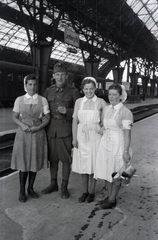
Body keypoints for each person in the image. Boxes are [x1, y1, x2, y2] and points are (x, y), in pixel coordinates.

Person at [41, 62, 80, 199]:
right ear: (53, 76)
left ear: (66, 76)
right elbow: (43, 110)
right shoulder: (48, 91)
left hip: (65, 129)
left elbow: (78, 112)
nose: (60, 77)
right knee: (53, 159)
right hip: (51, 129)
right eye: (57, 75)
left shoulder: (73, 92)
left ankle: (64, 187)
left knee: (65, 159)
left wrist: (68, 112)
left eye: (62, 75)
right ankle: (53, 184)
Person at [11, 74, 50, 203]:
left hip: (37, 134)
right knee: (24, 164)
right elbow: (14, 117)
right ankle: (21, 191)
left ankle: (30, 189)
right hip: (23, 134)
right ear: (25, 85)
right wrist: (23, 125)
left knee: (34, 163)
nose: (32, 87)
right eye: (30, 84)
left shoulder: (42, 100)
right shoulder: (19, 100)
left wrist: (38, 128)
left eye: (34, 84)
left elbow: (47, 117)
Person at [94, 83, 133, 209]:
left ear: (121, 96)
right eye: (110, 94)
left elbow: (127, 135)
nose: (111, 97)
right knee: (106, 171)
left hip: (118, 143)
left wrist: (126, 151)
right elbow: (106, 124)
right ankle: (109, 196)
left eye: (114, 94)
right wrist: (102, 129)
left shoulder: (126, 112)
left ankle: (112, 199)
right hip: (105, 143)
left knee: (116, 173)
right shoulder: (106, 109)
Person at [72, 77, 107, 203]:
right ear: (82, 90)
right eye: (86, 89)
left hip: (95, 137)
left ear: (95, 89)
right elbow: (75, 121)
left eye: (91, 89)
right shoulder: (78, 102)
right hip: (81, 135)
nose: (89, 91)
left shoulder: (101, 102)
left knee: (93, 165)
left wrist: (101, 129)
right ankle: (84, 191)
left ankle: (91, 192)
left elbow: (106, 121)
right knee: (83, 165)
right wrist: (74, 138)